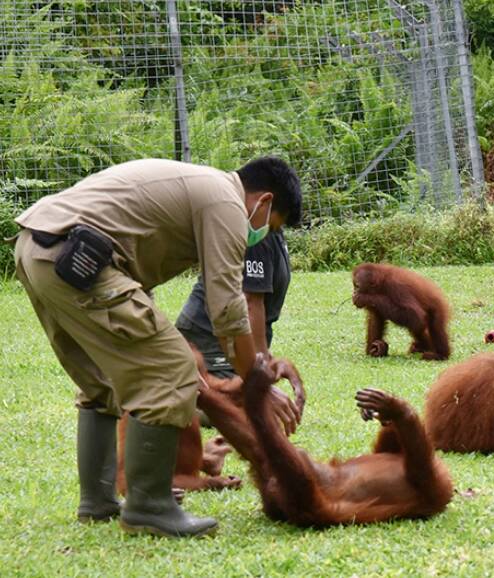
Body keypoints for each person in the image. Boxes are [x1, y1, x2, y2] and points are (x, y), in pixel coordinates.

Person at [13, 156, 301, 537]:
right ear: (263, 202)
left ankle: (97, 502)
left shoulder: (202, 186)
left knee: (103, 381)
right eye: (272, 226)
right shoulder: (228, 205)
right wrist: (256, 383)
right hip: (75, 257)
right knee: (174, 369)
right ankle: (150, 507)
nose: (264, 235)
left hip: (40, 250)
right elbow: (229, 310)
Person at [176, 219, 304, 431]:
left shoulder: (273, 229)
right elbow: (251, 302)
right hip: (210, 335)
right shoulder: (256, 233)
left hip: (230, 334)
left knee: (257, 404)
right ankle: (180, 404)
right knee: (249, 410)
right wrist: (260, 381)